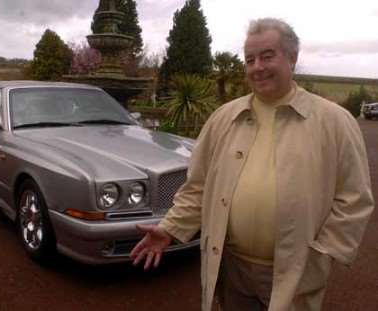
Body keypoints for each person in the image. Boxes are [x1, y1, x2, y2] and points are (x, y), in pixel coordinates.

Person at [130, 17, 375, 311]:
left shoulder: (334, 121)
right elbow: (198, 187)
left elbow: (355, 199)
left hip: (296, 271)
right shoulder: (223, 118)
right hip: (231, 266)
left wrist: (322, 253)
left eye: (267, 56)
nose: (257, 67)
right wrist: (169, 228)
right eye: (250, 59)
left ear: (292, 58)